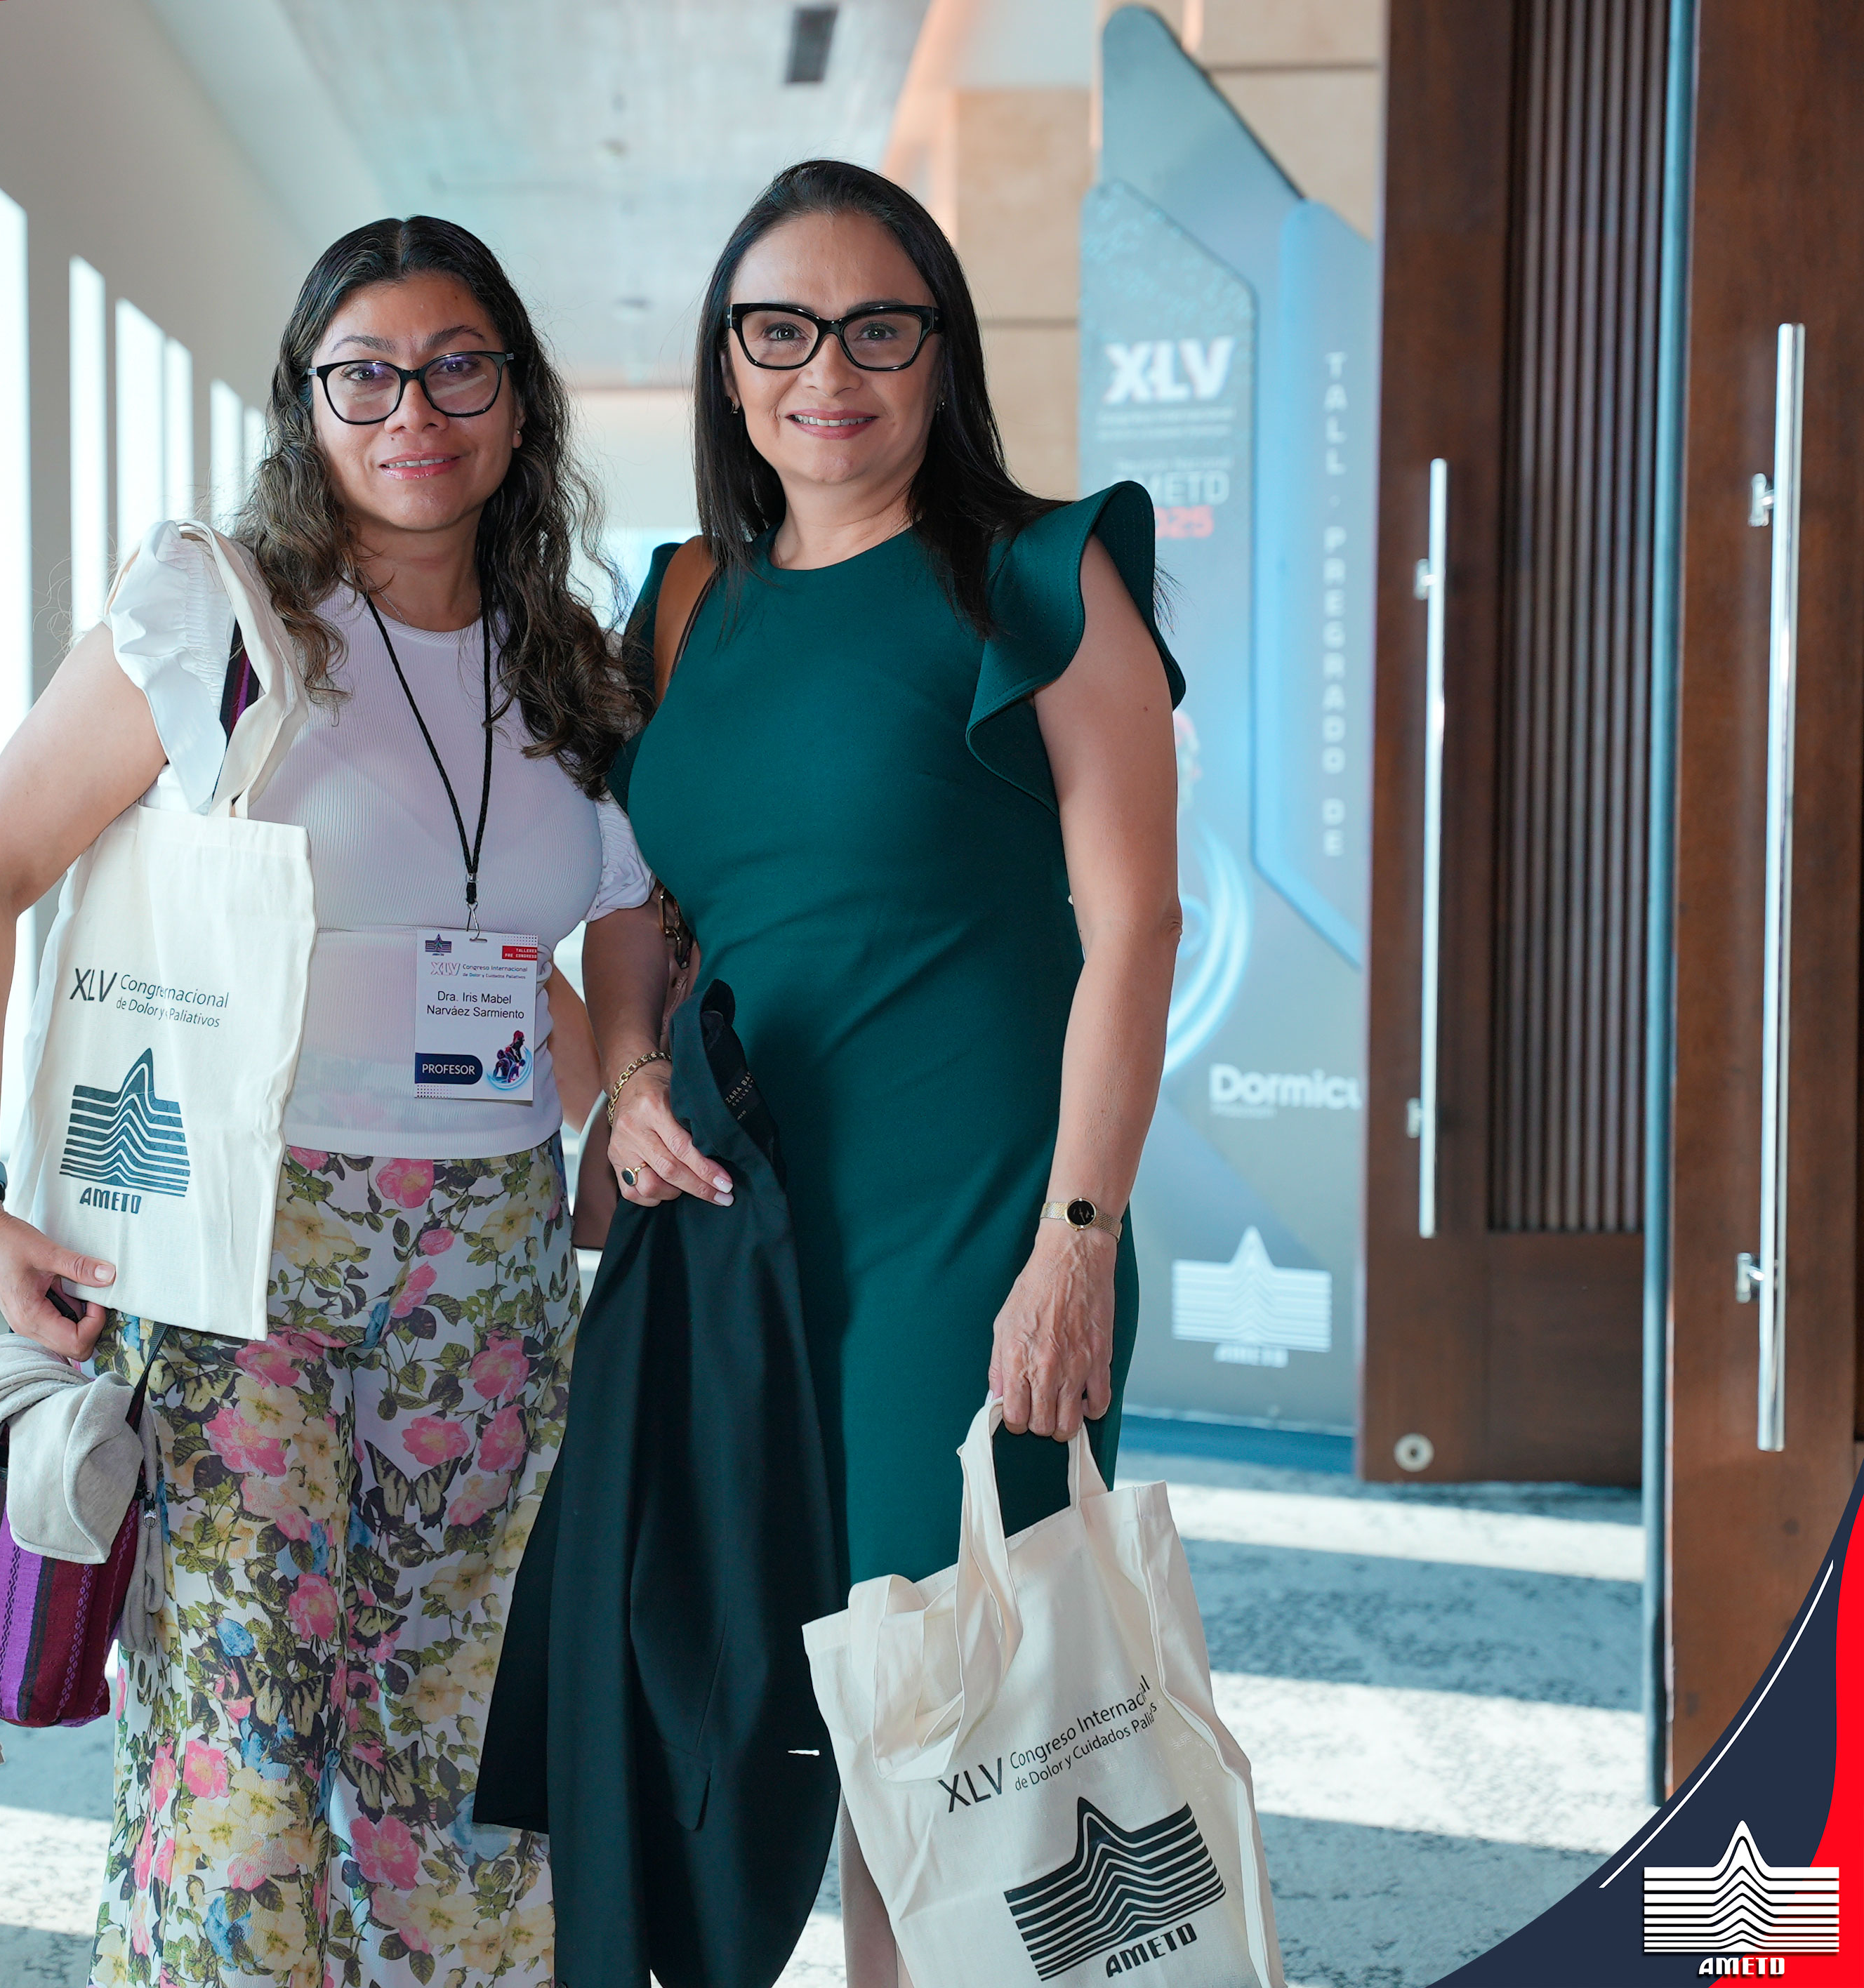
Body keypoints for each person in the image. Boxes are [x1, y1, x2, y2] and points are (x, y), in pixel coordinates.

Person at [0, 216, 647, 1987]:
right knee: (241, 1742)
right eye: (364, 374)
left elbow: (551, 944)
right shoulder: (217, 619)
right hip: (240, 1249)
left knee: (461, 1734)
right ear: (305, 404)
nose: (415, 412)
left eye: (457, 367)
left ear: (518, 398)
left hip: (487, 1260)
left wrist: (618, 1099)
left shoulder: (571, 665)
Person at [581, 159, 1183, 1984]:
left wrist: (1076, 1245)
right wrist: (624, 1070)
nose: (824, 371)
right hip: (743, 1242)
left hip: (978, 1229)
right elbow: (638, 899)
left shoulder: (1039, 572)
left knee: (959, 1736)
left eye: (875, 329)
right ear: (728, 361)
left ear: (942, 352)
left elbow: (1137, 926)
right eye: (779, 331)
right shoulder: (685, 600)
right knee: (801, 1708)